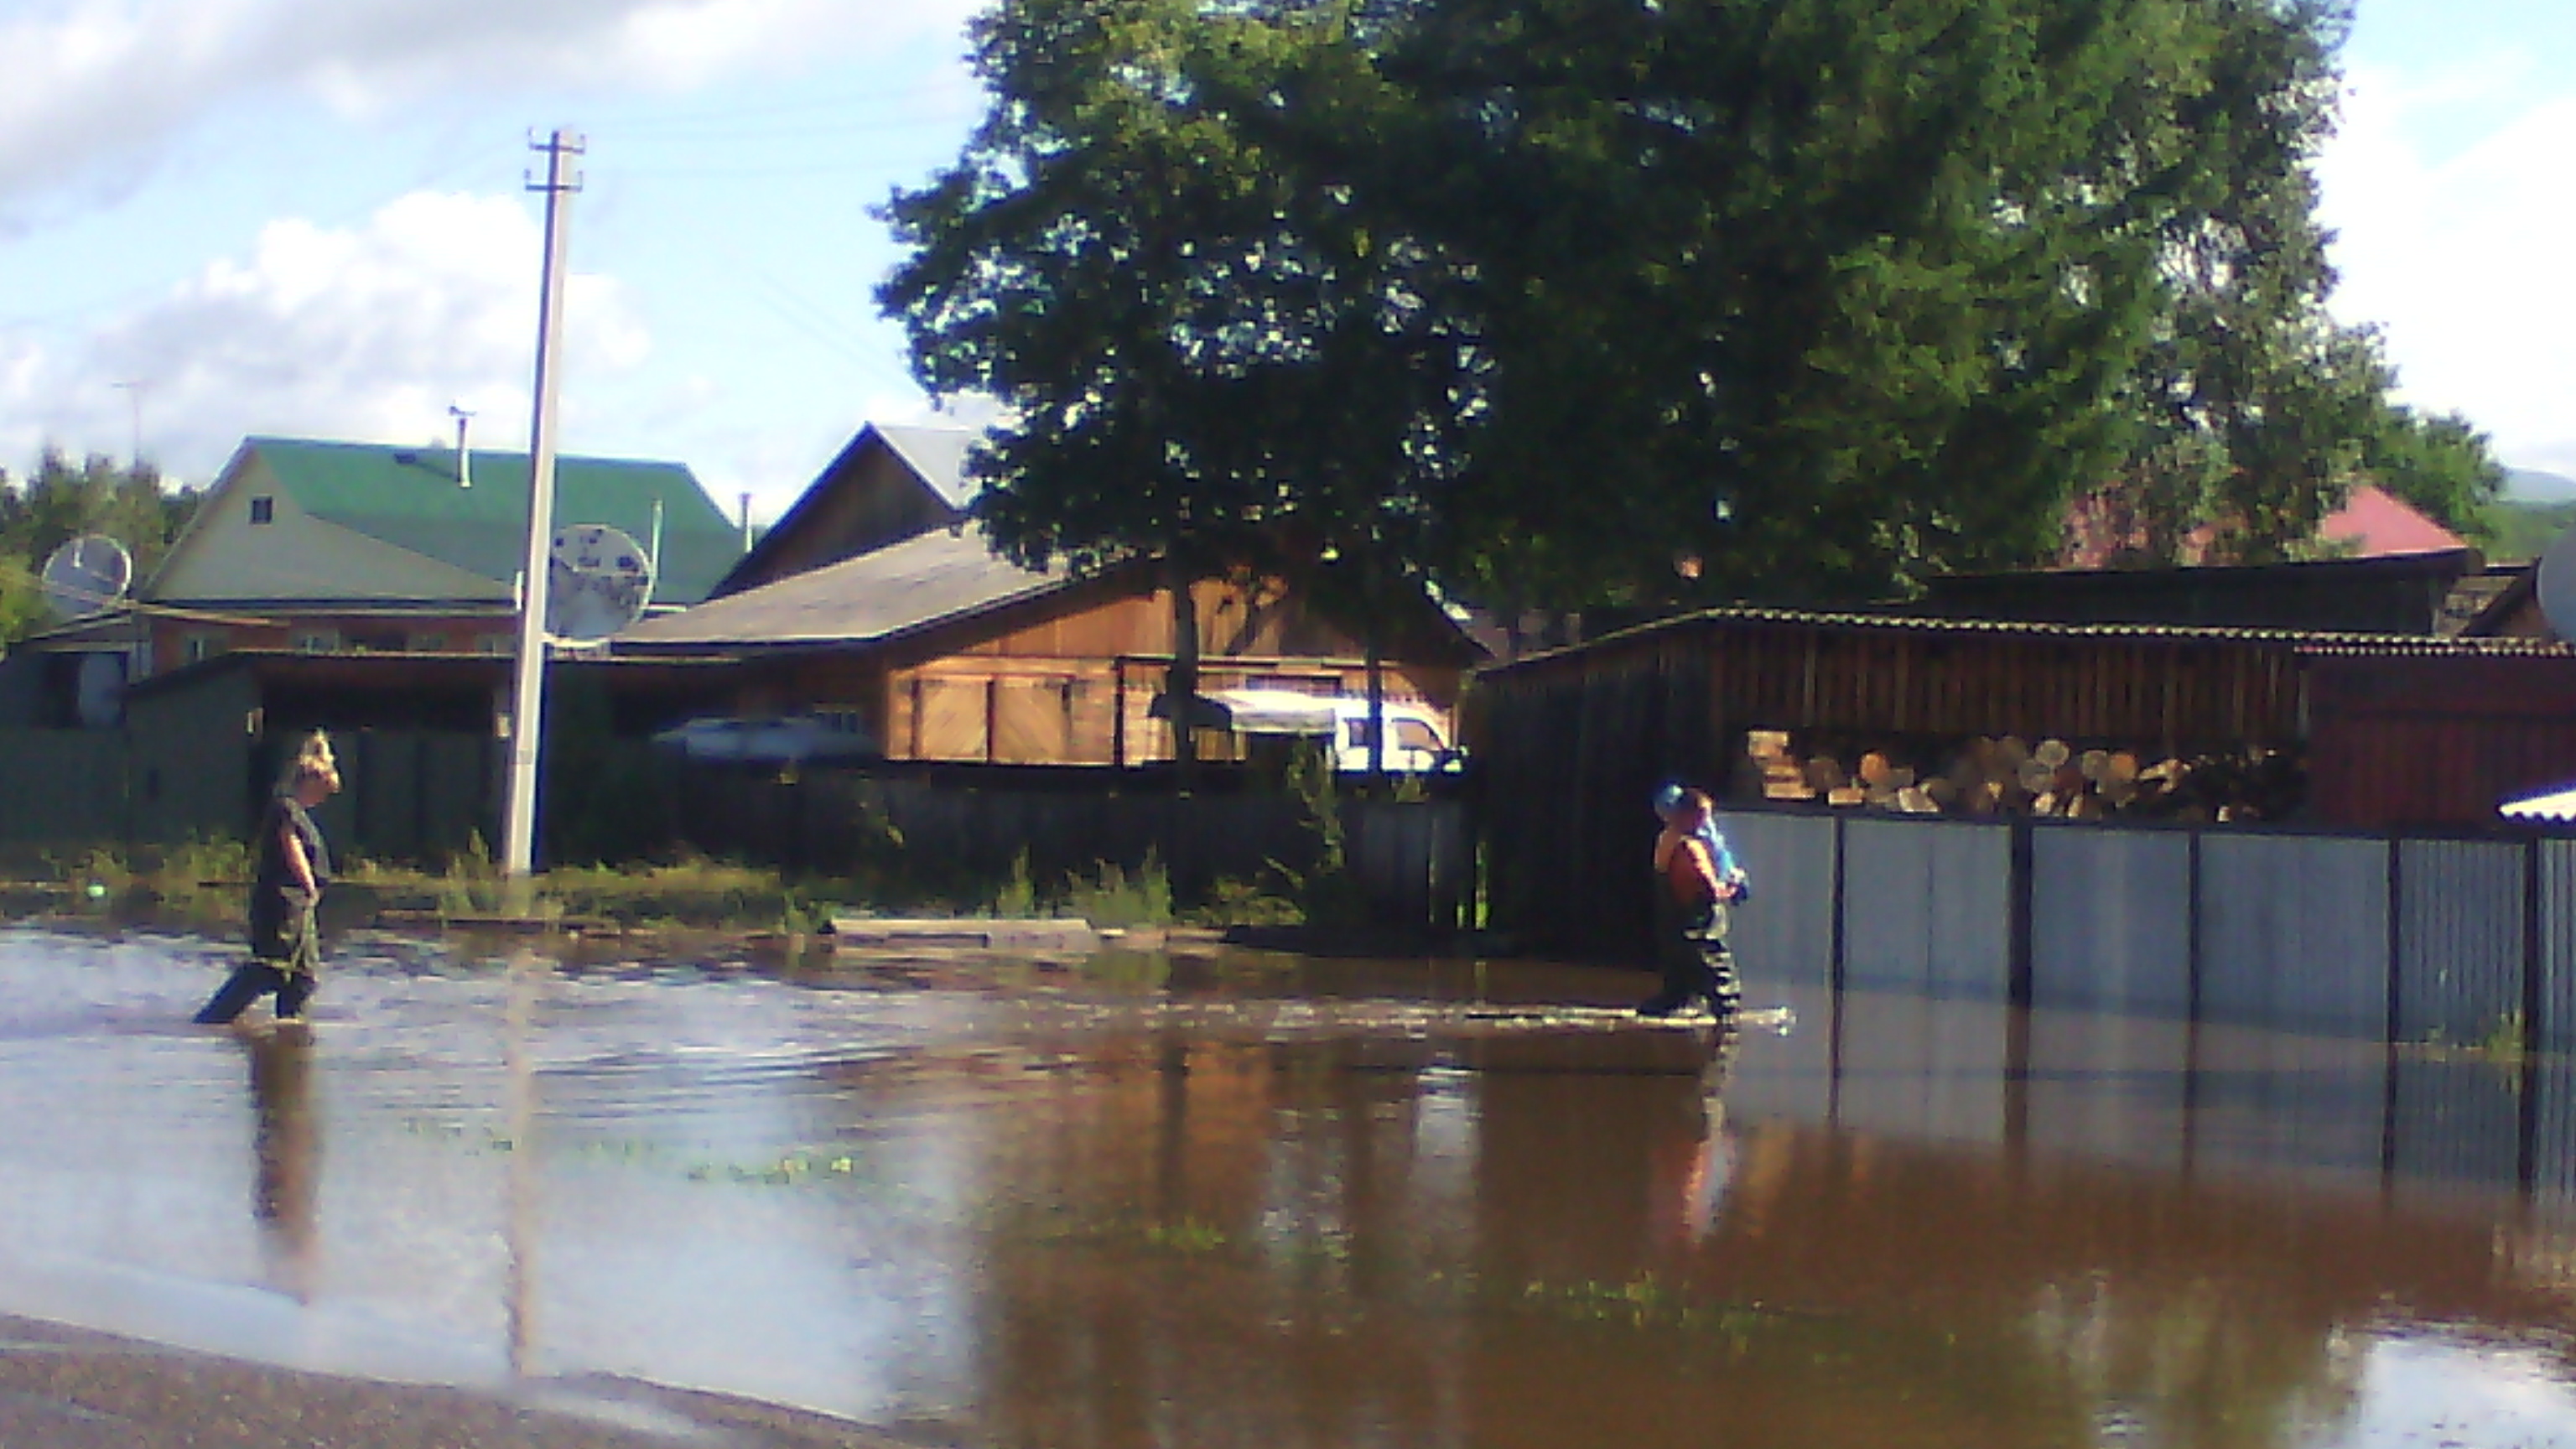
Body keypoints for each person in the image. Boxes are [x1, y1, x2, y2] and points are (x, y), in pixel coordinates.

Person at [195, 732, 340, 1026]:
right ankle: (213, 1021)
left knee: (302, 975)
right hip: (284, 903)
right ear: (309, 781)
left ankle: (291, 1028)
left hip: (301, 906)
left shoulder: (300, 813)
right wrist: (309, 884)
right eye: (323, 791)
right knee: (270, 966)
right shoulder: (285, 808)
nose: (323, 799)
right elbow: (291, 848)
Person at [1639, 787, 1743, 1018]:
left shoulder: (1667, 837)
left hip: (1671, 916)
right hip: (1695, 915)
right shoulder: (1689, 845)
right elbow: (1709, 886)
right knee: (1711, 956)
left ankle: (1674, 999)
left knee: (1678, 958)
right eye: (1703, 815)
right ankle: (1726, 1007)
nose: (1706, 822)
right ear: (1687, 815)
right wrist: (1732, 888)